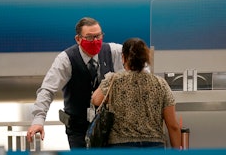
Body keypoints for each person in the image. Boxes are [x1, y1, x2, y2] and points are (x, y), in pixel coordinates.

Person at [26, 17, 124, 149]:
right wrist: (38, 120)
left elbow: (140, 63)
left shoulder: (114, 51)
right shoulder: (66, 59)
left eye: (98, 36)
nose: (95, 41)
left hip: (110, 127)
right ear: (78, 39)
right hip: (78, 129)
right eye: (89, 37)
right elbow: (47, 90)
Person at [92, 38, 181, 149]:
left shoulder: (113, 80)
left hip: (121, 147)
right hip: (154, 146)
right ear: (145, 59)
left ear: (123, 58)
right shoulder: (160, 84)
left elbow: (96, 100)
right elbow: (173, 126)